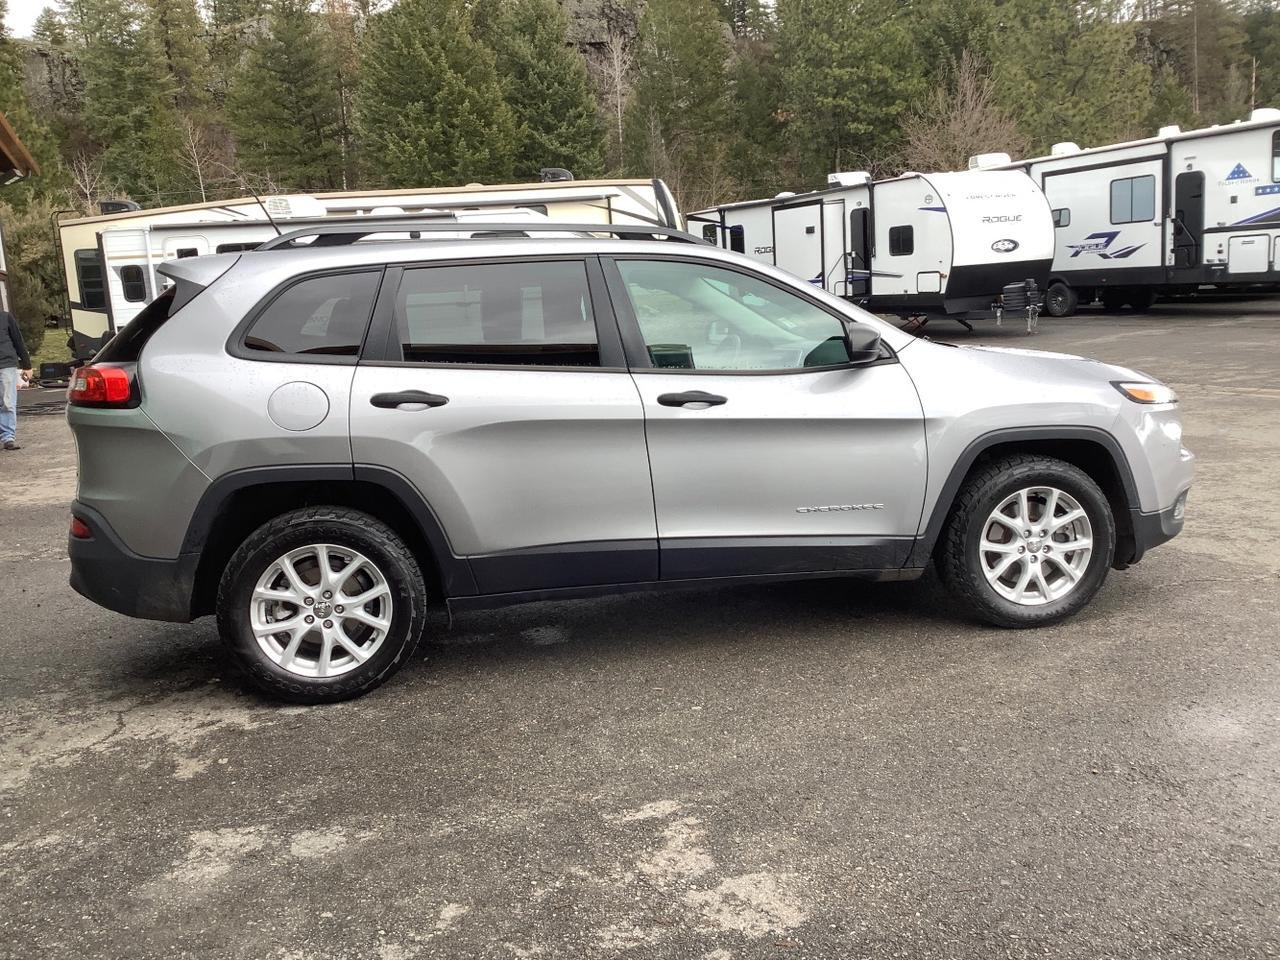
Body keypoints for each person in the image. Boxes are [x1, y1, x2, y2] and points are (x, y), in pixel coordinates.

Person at [0, 308, 33, 452]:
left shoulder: (6, 318)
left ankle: (8, 438)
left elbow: (18, 341)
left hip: (6, 364)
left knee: (7, 402)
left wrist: (26, 365)